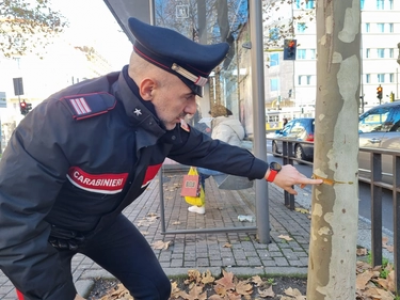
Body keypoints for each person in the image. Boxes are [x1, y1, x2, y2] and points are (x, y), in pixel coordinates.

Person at [0, 17, 322, 300]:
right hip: (42, 239)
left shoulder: (160, 124)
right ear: (149, 88)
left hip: (101, 225)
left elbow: (211, 151)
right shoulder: (62, 122)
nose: (193, 108)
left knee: (155, 289)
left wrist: (272, 173)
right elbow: (10, 226)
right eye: (187, 96)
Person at [188, 104, 245, 215]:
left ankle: (199, 205)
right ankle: (199, 205)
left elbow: (216, 147)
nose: (210, 119)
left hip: (226, 164)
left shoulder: (223, 127)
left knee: (197, 171)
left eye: (211, 116)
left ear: (216, 116)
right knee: (198, 169)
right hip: (231, 160)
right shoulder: (234, 124)